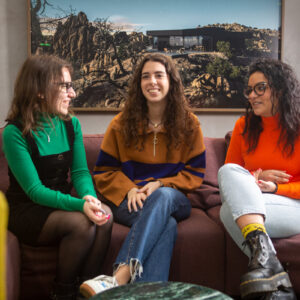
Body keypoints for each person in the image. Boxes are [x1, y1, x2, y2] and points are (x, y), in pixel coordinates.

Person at [79, 53, 206, 298]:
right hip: (130, 201)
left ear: (171, 81)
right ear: (138, 84)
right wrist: (129, 189)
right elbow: (104, 172)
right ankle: (147, 294)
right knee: (165, 223)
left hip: (174, 198)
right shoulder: (120, 124)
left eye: (159, 75)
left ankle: (118, 277)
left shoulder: (190, 124)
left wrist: (160, 183)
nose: (152, 82)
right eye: (145, 76)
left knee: (163, 196)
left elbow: (195, 173)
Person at [3, 55, 113, 300]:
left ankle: (88, 291)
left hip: (60, 201)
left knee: (105, 216)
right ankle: (62, 293)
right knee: (82, 223)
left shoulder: (71, 124)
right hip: (29, 209)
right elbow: (34, 191)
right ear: (40, 90)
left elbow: (80, 172)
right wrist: (80, 205)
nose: (72, 94)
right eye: (65, 86)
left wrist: (89, 198)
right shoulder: (14, 132)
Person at [218, 59, 299, 299]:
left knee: (227, 214)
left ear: (280, 89)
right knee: (227, 174)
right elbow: (230, 179)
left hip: (293, 206)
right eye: (249, 90)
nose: (252, 95)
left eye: (260, 88)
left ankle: (272, 274)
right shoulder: (243, 126)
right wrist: (258, 177)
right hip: (254, 204)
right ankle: (275, 280)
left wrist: (275, 187)